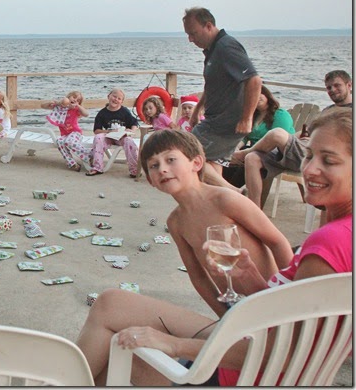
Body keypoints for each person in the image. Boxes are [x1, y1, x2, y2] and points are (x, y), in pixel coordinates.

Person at [75, 107, 351, 385]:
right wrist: (243, 294)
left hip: (246, 368)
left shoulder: (325, 244)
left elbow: (282, 350)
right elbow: (207, 281)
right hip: (250, 319)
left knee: (116, 347)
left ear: (197, 163)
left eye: (329, 160)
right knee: (111, 306)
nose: (310, 168)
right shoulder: (340, 235)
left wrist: (174, 344)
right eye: (308, 156)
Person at [141, 129, 293, 314]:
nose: (162, 169)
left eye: (170, 159)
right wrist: (224, 316)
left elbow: (277, 242)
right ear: (150, 180)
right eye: (154, 165)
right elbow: (198, 277)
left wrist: (291, 291)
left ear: (196, 163)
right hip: (238, 310)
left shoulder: (225, 200)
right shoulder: (176, 222)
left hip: (272, 297)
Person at [231, 70, 352, 208]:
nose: (332, 90)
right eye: (329, 87)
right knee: (252, 158)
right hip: (301, 147)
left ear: (349, 85)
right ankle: (255, 210)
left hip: (313, 155)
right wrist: (289, 139)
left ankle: (241, 154)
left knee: (277, 134)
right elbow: (306, 132)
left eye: (337, 85)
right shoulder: (328, 110)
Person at [182, 7, 263, 186]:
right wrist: (197, 109)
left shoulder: (226, 47)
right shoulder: (213, 50)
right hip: (215, 118)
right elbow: (212, 84)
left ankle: (235, 193)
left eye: (193, 33)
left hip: (224, 123)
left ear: (208, 26)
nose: (191, 39)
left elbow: (254, 80)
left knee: (184, 153)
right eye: (188, 35)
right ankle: (218, 200)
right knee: (212, 164)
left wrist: (247, 118)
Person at [218, 85, 294, 191]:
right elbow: (244, 137)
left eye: (259, 94)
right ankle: (222, 189)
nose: (256, 97)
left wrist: (244, 153)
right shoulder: (252, 115)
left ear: (266, 95)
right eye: (251, 96)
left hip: (275, 154)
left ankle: (230, 191)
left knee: (245, 162)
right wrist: (236, 148)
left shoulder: (280, 114)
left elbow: (276, 140)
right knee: (227, 158)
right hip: (252, 151)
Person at [86, 89, 139, 177]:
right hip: (109, 136)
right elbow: (96, 130)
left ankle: (134, 170)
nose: (116, 99)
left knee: (129, 141)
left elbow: (135, 123)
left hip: (121, 137)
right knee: (98, 138)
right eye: (114, 96)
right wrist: (108, 131)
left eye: (119, 98)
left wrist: (132, 130)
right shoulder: (102, 113)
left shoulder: (124, 111)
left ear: (121, 102)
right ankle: (97, 167)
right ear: (108, 96)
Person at [42, 91, 90, 171]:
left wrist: (78, 106)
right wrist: (54, 103)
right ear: (68, 97)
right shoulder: (60, 108)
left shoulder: (76, 109)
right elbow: (43, 106)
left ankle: (89, 156)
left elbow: (86, 114)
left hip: (75, 132)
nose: (75, 100)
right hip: (65, 134)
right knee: (59, 142)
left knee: (68, 141)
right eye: (74, 97)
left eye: (78, 100)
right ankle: (72, 163)